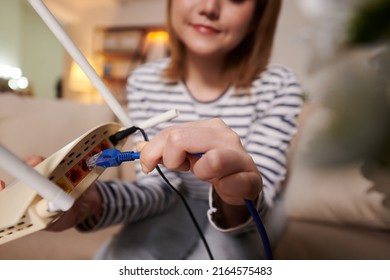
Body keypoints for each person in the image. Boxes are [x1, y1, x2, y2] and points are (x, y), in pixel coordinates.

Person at [45, 0, 303, 259]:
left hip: (245, 218)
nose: (209, 7)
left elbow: (259, 202)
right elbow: (157, 189)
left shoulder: (279, 86)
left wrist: (237, 195)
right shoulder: (143, 81)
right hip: (175, 201)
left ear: (260, 12)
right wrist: (92, 202)